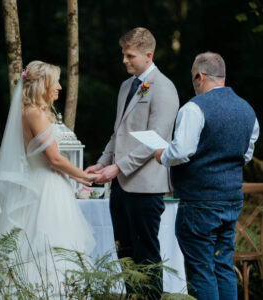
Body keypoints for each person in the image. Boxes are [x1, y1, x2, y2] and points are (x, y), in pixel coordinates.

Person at [155, 52, 259, 300]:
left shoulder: (194, 108)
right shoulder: (247, 109)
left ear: (200, 77)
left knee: (201, 270)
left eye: (193, 78)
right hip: (232, 199)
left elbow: (180, 152)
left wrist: (161, 155)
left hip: (199, 202)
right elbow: (245, 155)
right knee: (223, 265)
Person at [86, 27, 179, 299]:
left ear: (148, 55)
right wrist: (102, 163)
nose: (124, 60)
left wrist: (118, 167)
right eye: (123, 54)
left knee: (146, 255)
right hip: (121, 187)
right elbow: (119, 133)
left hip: (147, 188)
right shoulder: (126, 86)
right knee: (124, 253)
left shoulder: (164, 87)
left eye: (130, 56)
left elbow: (156, 140)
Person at [0, 61, 97, 290]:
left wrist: (78, 178)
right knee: (51, 246)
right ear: (43, 84)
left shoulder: (27, 112)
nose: (60, 87)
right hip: (47, 188)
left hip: (36, 181)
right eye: (56, 82)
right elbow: (54, 158)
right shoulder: (36, 114)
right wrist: (84, 176)